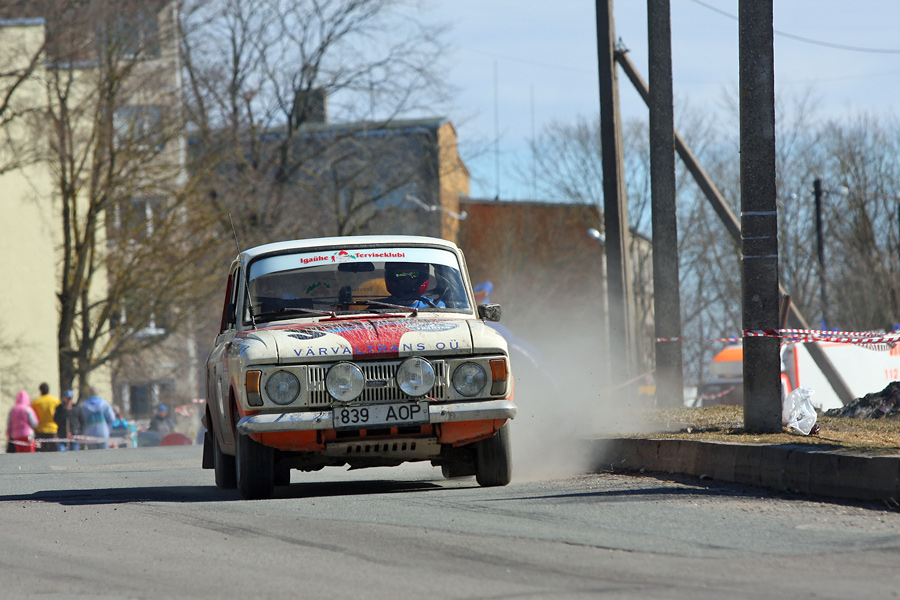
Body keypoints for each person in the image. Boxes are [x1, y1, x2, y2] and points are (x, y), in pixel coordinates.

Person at [31, 382, 61, 452]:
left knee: (42, 452)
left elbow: (33, 416)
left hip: (40, 430)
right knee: (54, 452)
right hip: (53, 429)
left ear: (40, 390)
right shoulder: (56, 400)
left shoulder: (36, 402)